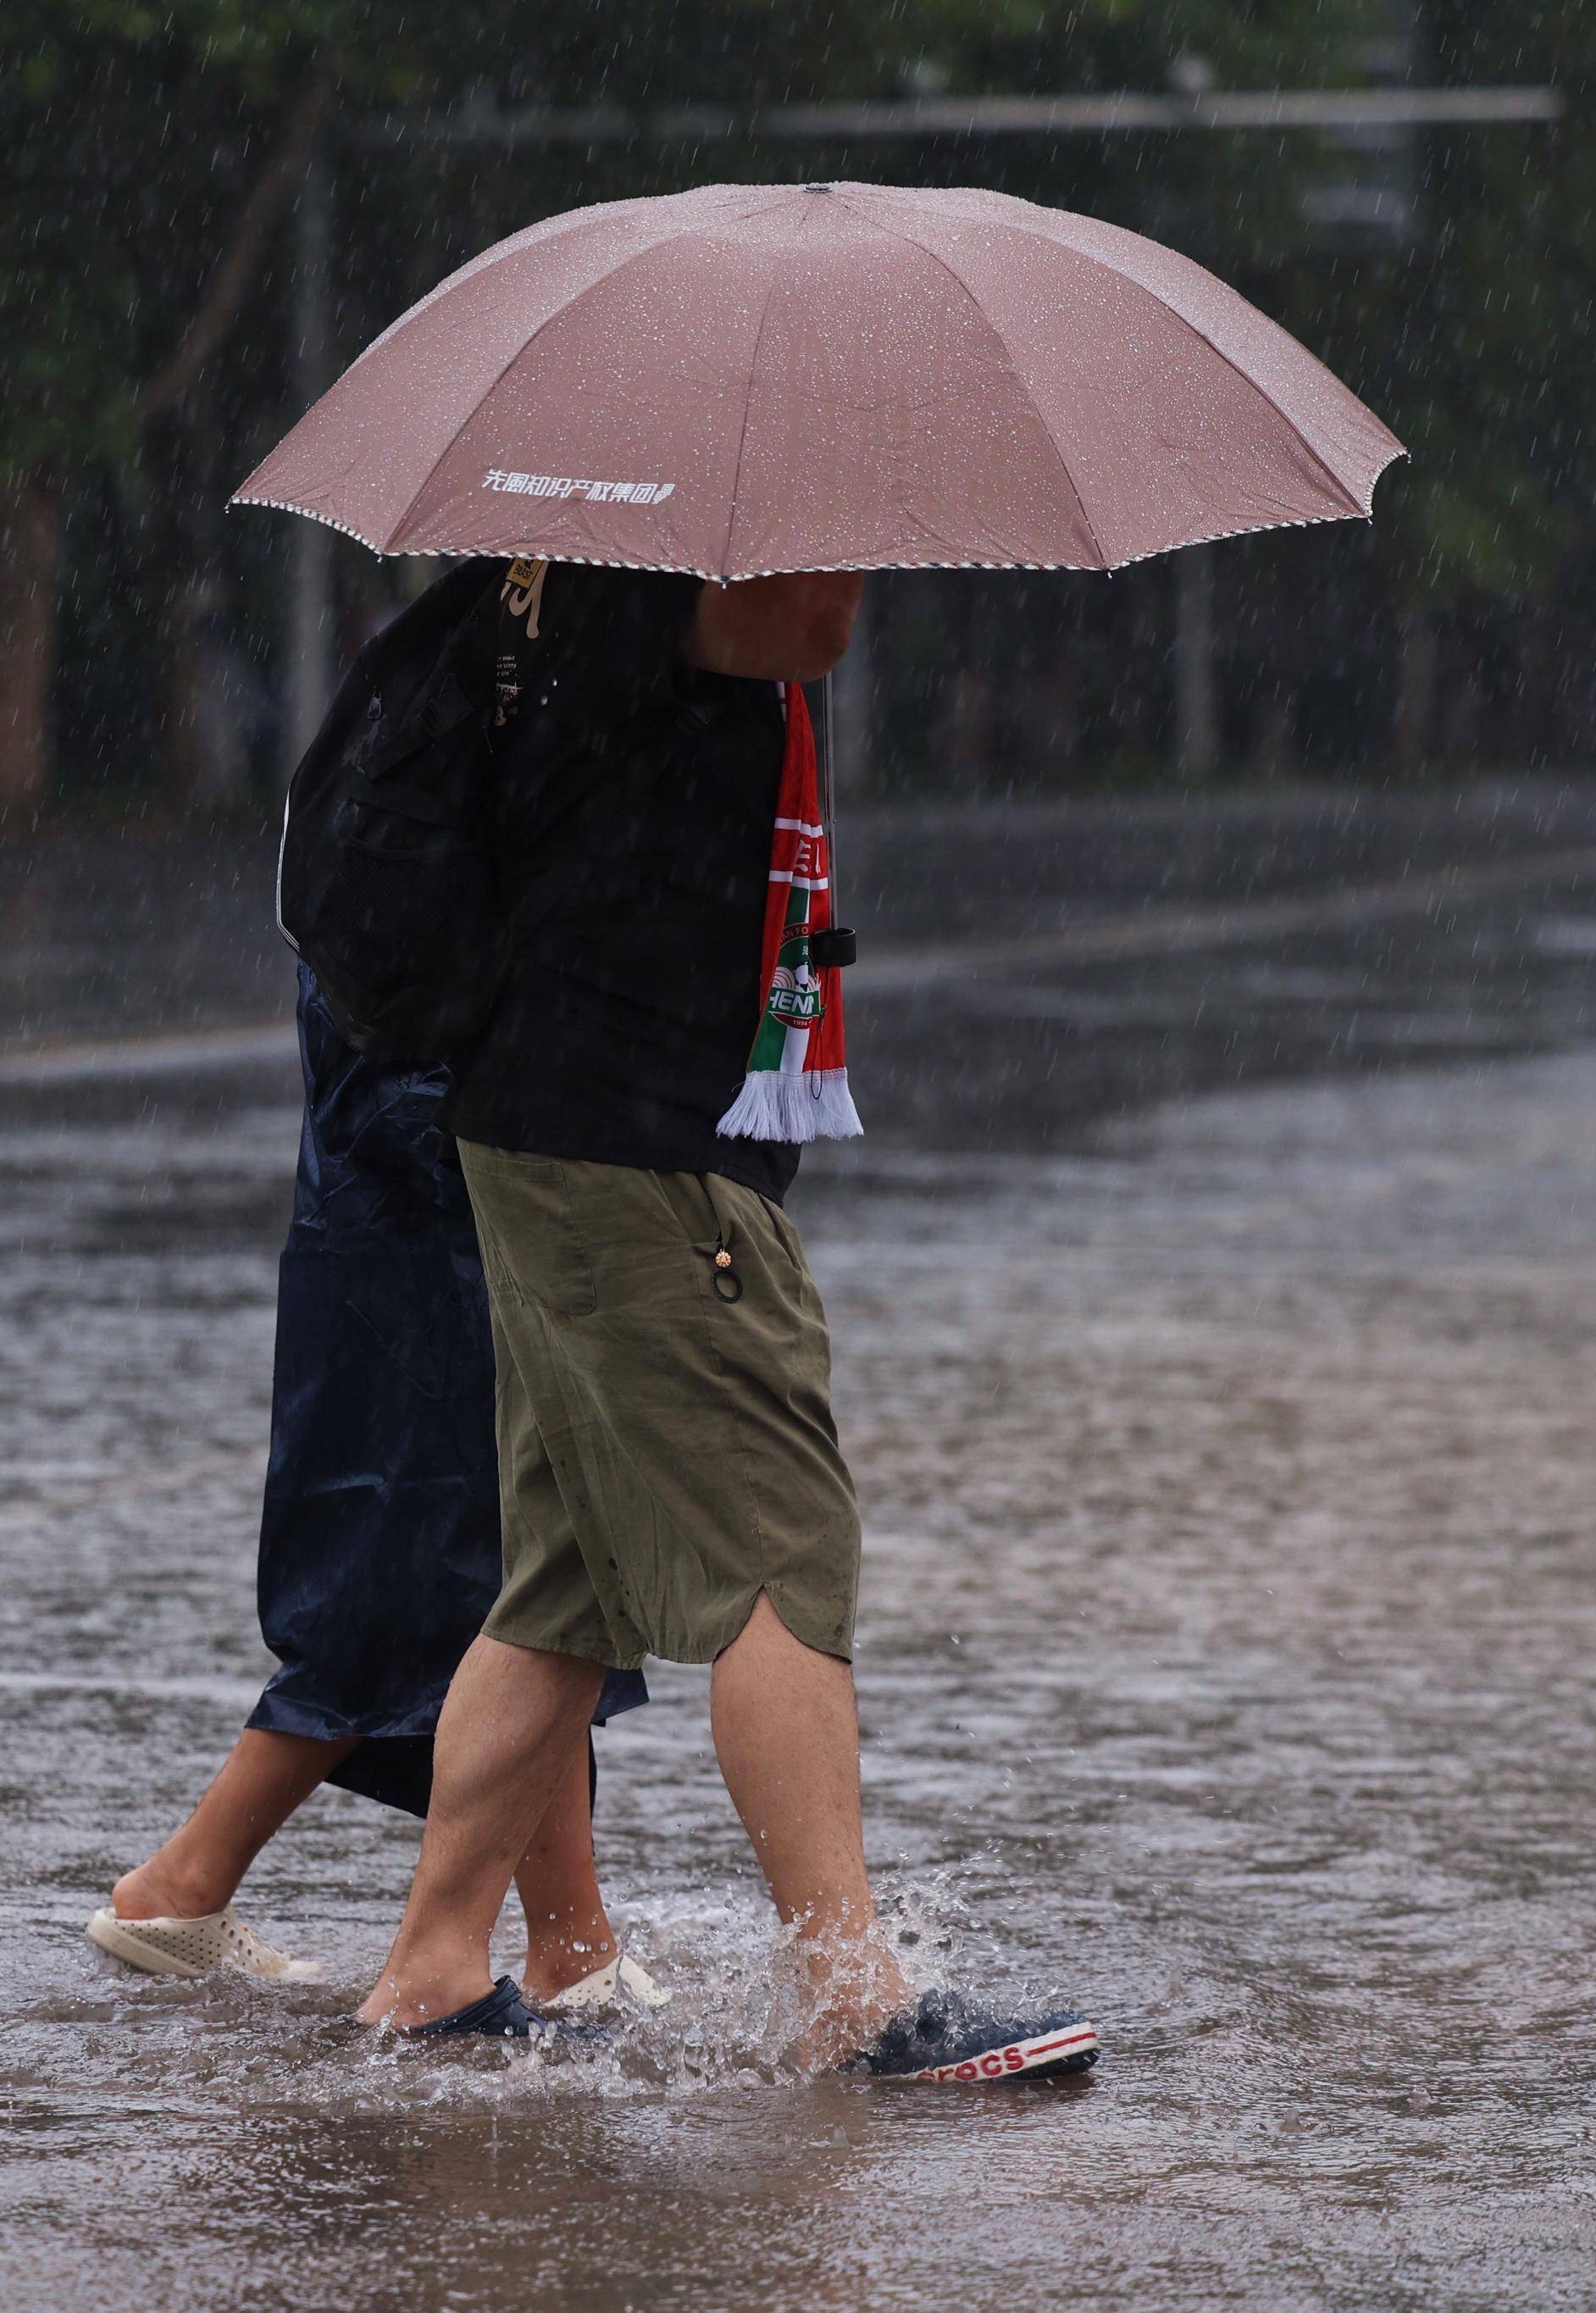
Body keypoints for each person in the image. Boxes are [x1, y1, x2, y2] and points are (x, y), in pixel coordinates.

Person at [347, 563, 1099, 2083]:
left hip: (558, 1119)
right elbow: (801, 625)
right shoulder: (645, 570)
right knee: (779, 1553)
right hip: (635, 1144)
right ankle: (853, 1999)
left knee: (562, 1588)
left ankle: (431, 1967)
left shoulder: (555, 567)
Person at [83, 928, 664, 2011]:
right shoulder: (426, 785)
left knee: (480, 1557)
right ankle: (189, 1882)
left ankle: (568, 1941)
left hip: (407, 1163)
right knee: (480, 1560)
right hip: (439, 1169)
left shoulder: (374, 784)